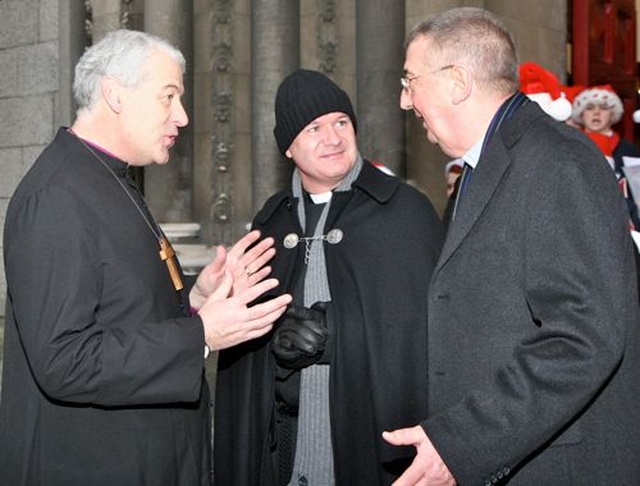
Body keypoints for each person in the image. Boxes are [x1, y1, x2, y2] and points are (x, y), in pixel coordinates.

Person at [0, 29, 292, 485]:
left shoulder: (106, 177)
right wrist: (202, 334)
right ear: (115, 94)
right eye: (168, 96)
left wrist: (197, 299)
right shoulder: (57, 195)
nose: (182, 115)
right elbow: (64, 360)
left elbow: (119, 312)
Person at [383, 7, 640, 485]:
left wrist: (463, 440)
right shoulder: (488, 165)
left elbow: (583, 337)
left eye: (409, 80)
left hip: (555, 466)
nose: (403, 100)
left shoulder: (557, 163)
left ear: (457, 81)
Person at [214, 69, 444, 485]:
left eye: (341, 122)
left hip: (368, 443)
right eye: (314, 127)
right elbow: (241, 358)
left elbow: (426, 336)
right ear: (288, 147)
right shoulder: (270, 221)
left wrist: (337, 332)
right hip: (286, 443)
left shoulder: (403, 211)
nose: (333, 138)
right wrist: (271, 338)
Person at [571, 84, 640, 228]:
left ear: (613, 114)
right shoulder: (569, 146)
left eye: (603, 108)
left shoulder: (628, 150)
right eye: (589, 108)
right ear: (581, 114)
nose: (596, 113)